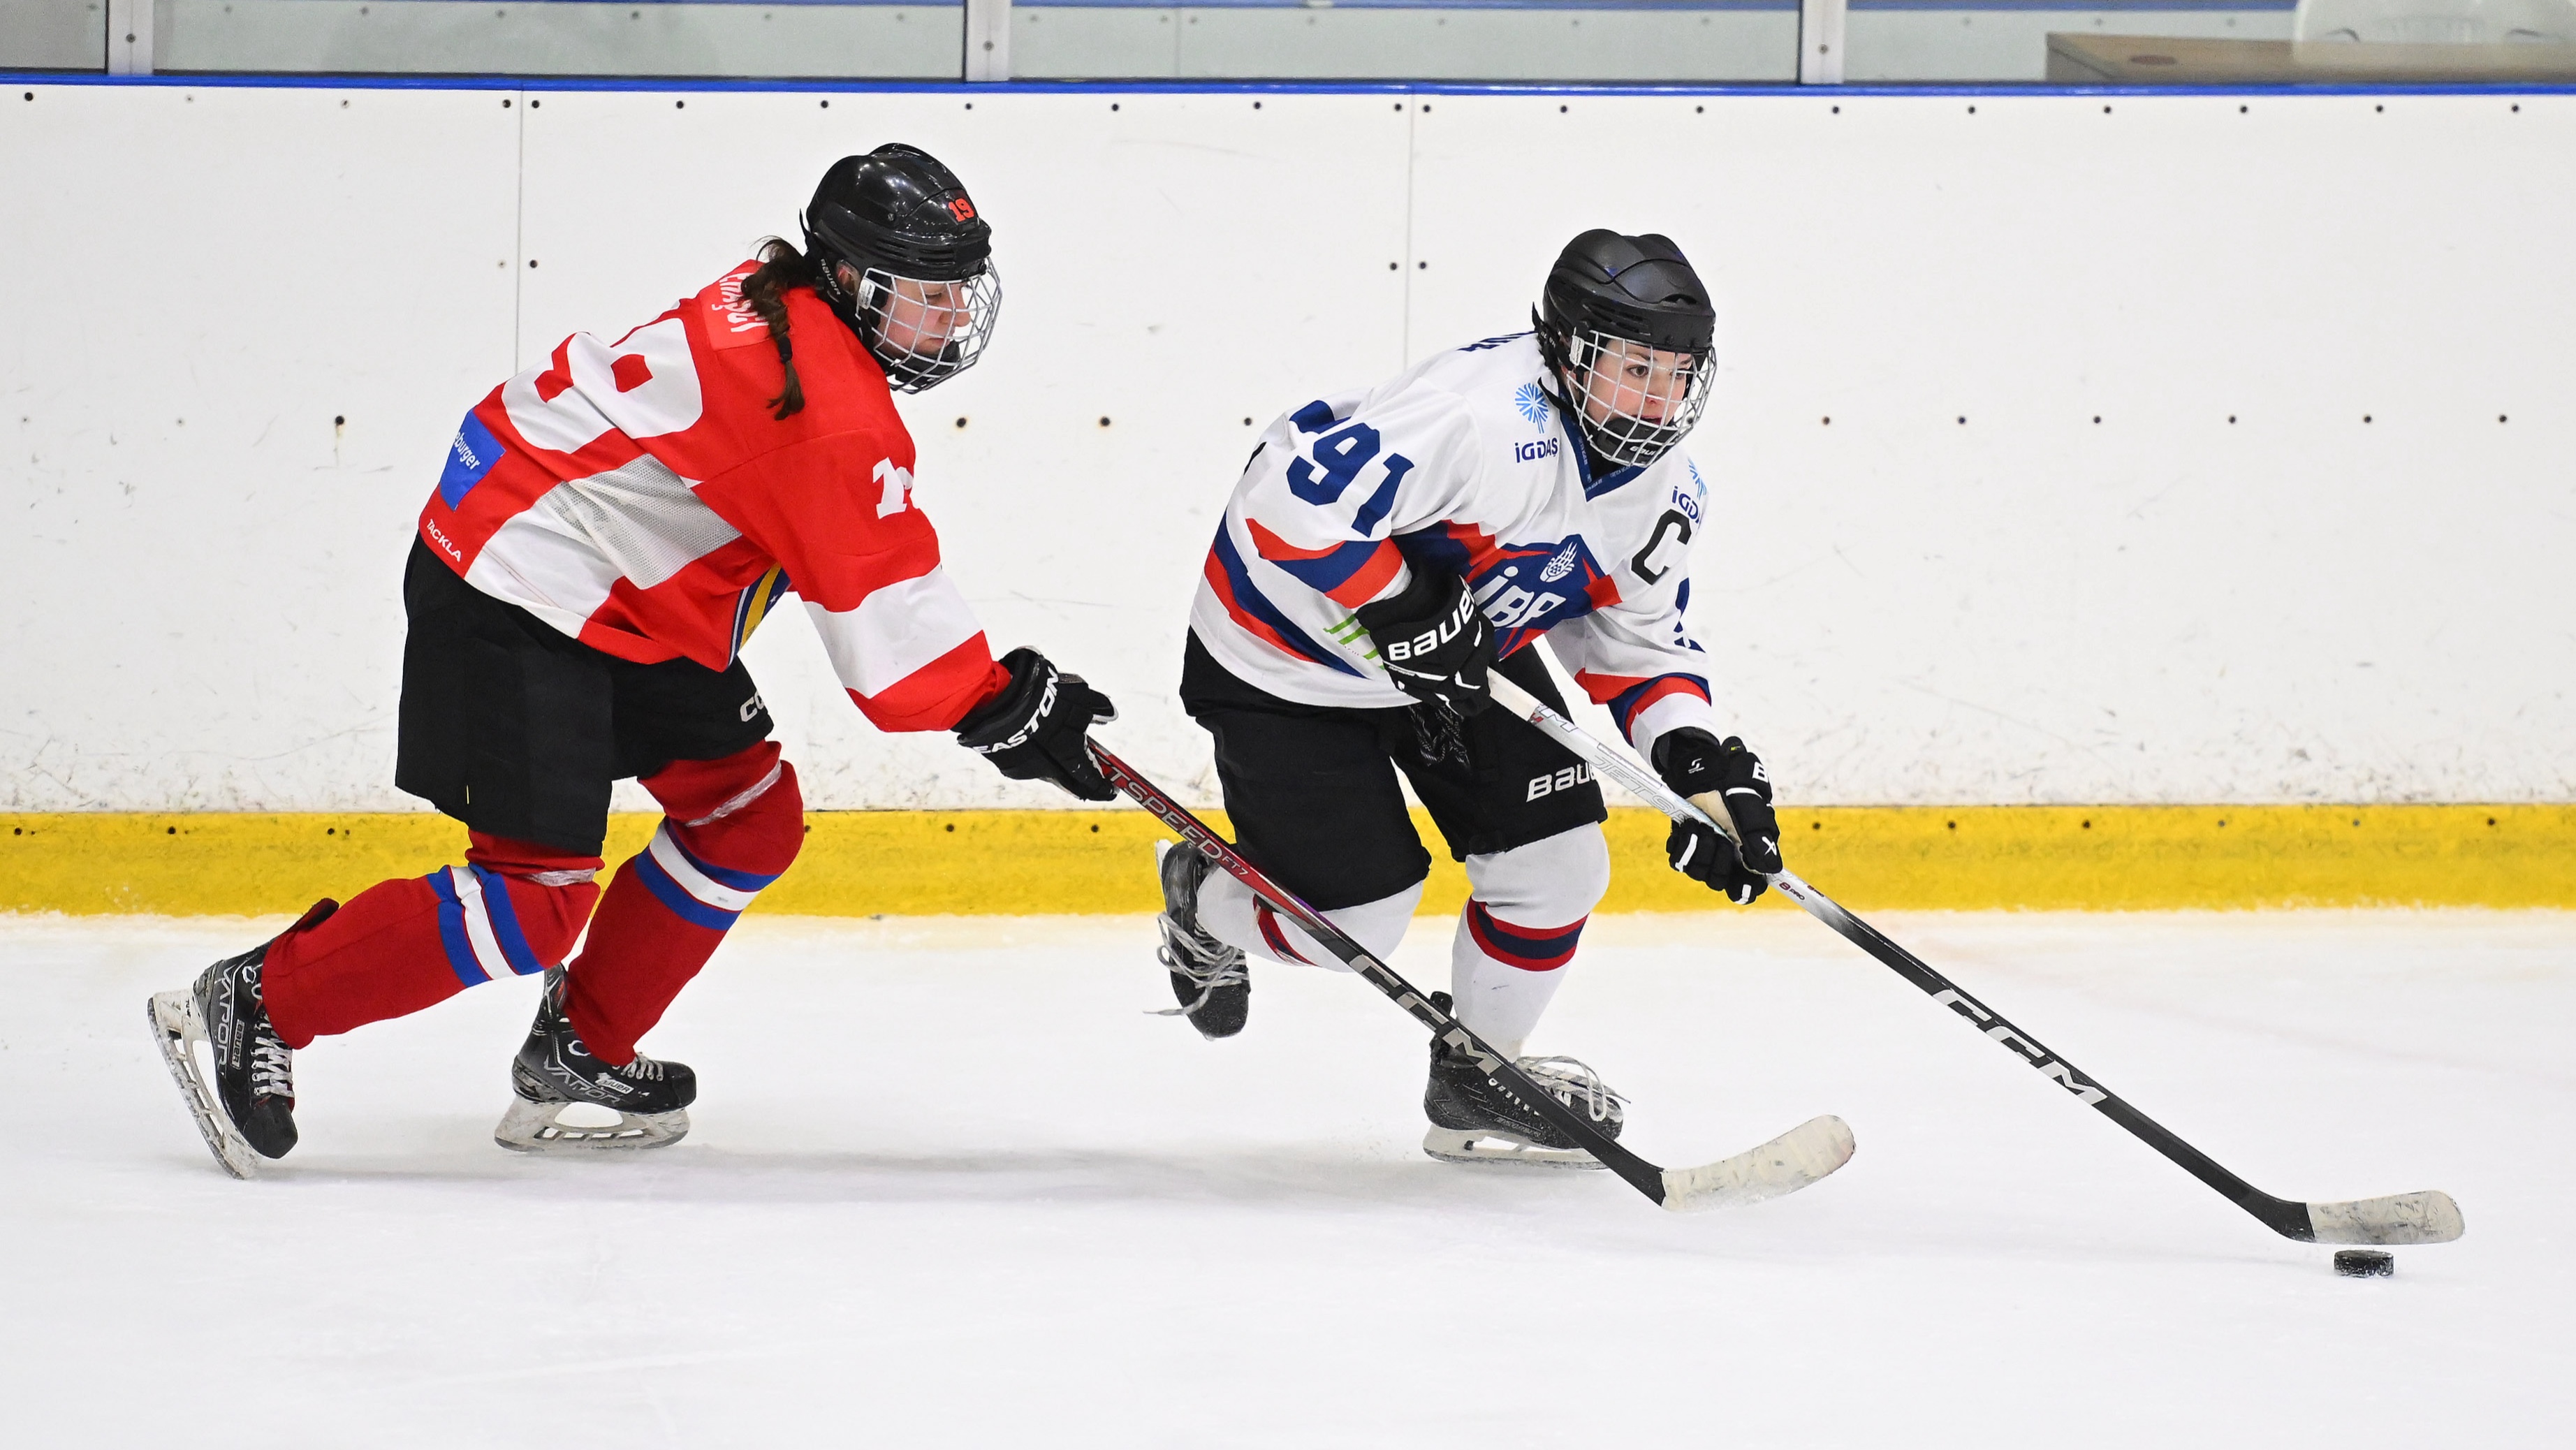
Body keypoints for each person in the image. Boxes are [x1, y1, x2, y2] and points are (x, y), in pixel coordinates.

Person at [149, 145, 1118, 1177]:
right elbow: (888, 637)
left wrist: (998, 701)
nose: (953, 318)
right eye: (927, 293)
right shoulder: (820, 405)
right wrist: (1004, 705)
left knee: (748, 819)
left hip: (618, 581)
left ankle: (583, 1046)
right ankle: (260, 999)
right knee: (534, 902)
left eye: (961, 289)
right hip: (515, 578)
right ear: (847, 276)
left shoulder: (788, 304)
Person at [1151, 230, 1785, 1166]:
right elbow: (1288, 506)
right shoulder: (1476, 417)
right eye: (1634, 370)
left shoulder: (1666, 491)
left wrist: (1697, 766)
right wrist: (1404, 601)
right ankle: (1199, 897)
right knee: (1354, 927)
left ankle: (1477, 1076)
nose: (1658, 401)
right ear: (1569, 353)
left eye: (1677, 376)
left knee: (1559, 865)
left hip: (1456, 655)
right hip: (1288, 655)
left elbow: (1637, 646)